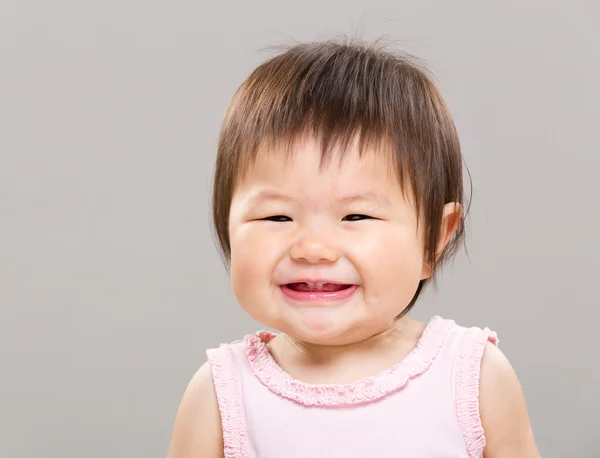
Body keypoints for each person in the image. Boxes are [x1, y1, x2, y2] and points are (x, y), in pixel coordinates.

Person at [167, 36, 540, 458]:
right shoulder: (221, 393)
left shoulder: (472, 378)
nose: (313, 248)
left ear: (435, 239)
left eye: (355, 217)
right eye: (277, 217)